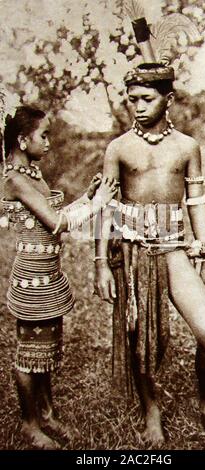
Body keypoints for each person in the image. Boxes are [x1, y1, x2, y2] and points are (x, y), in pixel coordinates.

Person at [94, 60, 205, 447]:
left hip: (175, 250)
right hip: (133, 254)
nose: (138, 106)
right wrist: (101, 264)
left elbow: (196, 201)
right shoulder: (118, 148)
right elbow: (104, 207)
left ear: (169, 99)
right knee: (138, 336)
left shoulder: (187, 147)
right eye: (132, 100)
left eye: (147, 99)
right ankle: (151, 410)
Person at [0, 105, 117, 450]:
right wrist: (97, 205)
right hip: (31, 280)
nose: (49, 142)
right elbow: (56, 224)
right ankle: (29, 423)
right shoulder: (14, 179)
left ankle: (47, 414)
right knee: (28, 353)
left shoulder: (33, 174)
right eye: (44, 135)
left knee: (46, 349)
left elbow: (56, 214)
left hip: (48, 276)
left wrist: (90, 196)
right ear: (23, 140)